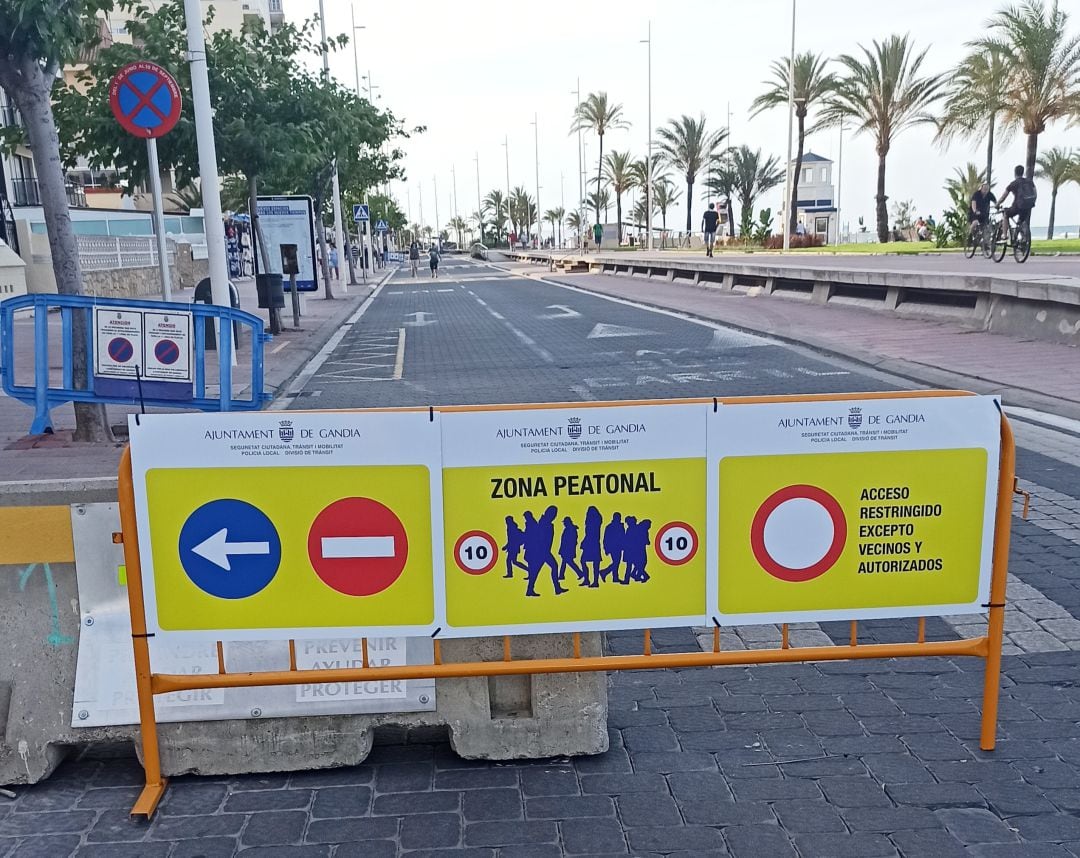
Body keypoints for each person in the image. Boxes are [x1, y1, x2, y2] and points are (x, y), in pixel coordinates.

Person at [999, 164, 1038, 241]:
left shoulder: (1014, 183)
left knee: (1006, 214)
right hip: (1028, 205)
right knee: (1021, 221)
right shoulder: (1029, 182)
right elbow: (1035, 193)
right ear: (1022, 172)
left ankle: (1004, 234)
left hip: (1018, 206)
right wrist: (1032, 202)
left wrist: (997, 204)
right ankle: (1022, 238)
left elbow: (1004, 196)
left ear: (1015, 173)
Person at [580, 506, 603, 587]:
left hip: (591, 544)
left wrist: (584, 542)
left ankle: (590, 580)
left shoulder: (591, 523)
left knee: (585, 561)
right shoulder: (596, 522)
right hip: (594, 544)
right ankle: (591, 580)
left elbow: (589, 535)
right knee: (595, 564)